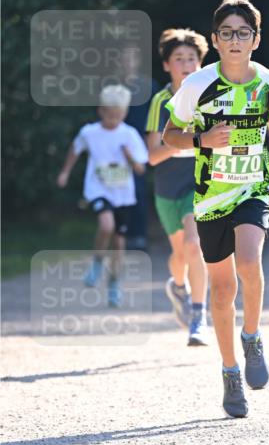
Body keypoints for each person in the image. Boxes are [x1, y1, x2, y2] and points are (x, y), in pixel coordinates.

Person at [162, 0, 269, 418]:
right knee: (221, 290)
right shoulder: (197, 85)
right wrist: (202, 139)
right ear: (215, 40)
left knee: (249, 262)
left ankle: (252, 337)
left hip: (255, 186)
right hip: (212, 195)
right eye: (228, 33)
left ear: (256, 39)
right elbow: (169, 136)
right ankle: (230, 372)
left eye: (244, 33)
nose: (236, 40)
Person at [56, 84, 148, 306]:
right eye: (109, 114)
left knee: (118, 242)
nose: (113, 119)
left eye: (118, 115)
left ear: (124, 113)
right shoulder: (90, 132)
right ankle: (97, 261)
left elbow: (141, 169)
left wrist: (130, 158)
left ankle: (114, 283)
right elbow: (75, 149)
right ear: (100, 111)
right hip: (98, 189)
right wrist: (65, 172)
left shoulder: (129, 135)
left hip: (123, 195)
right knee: (106, 225)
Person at [146, 28, 210, 345]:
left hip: (199, 183)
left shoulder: (210, 97)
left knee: (195, 244)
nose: (186, 64)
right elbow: (152, 156)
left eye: (192, 59)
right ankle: (178, 286)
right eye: (179, 59)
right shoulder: (161, 101)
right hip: (167, 186)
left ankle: (199, 317)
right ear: (166, 65)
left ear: (201, 63)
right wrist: (182, 140)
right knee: (179, 255)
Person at [120, 44, 156, 250]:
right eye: (123, 59)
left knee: (138, 189)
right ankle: (120, 234)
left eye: (130, 59)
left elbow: (159, 113)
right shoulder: (112, 86)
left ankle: (138, 235)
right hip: (116, 145)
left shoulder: (149, 86)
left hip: (140, 145)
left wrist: (150, 138)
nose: (127, 63)